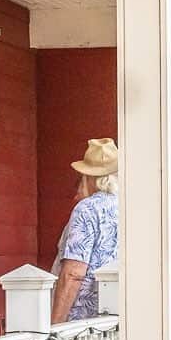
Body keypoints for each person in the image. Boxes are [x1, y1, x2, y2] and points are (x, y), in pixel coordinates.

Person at [51, 138, 119, 323]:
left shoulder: (87, 209)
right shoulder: (130, 208)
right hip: (117, 318)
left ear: (91, 178)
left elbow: (74, 273)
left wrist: (55, 325)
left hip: (84, 326)